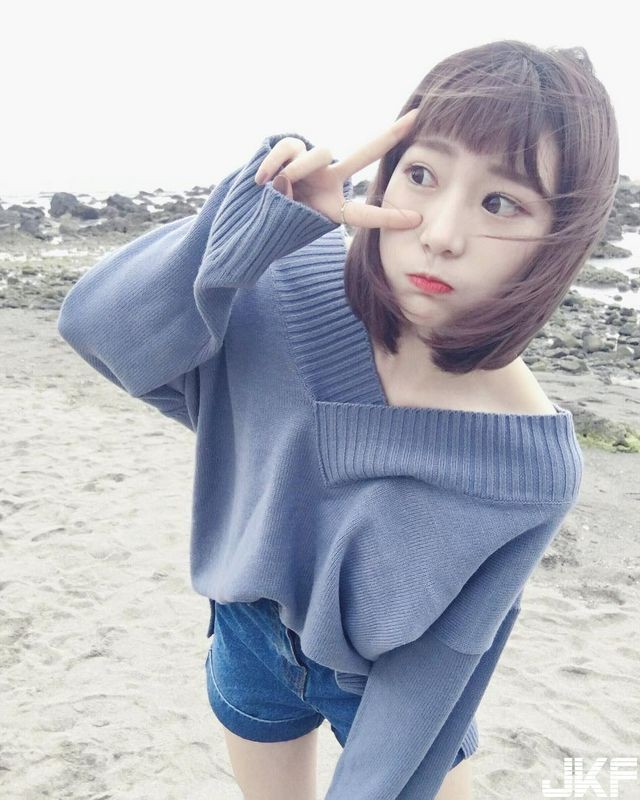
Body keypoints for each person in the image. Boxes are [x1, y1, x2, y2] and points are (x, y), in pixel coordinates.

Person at [57, 39, 619, 800]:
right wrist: (258, 221)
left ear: (561, 239)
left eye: (500, 203)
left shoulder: (529, 467)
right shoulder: (283, 284)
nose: (440, 232)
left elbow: (443, 663)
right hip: (245, 635)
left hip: (383, 691)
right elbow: (100, 330)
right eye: (422, 174)